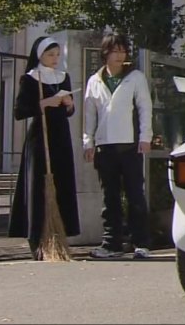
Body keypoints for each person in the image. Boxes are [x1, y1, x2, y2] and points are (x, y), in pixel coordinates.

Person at [8, 36, 81, 260]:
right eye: (50, 55)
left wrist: (69, 105)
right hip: (41, 138)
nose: (55, 59)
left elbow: (69, 112)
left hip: (60, 138)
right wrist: (43, 104)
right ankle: (36, 238)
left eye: (57, 55)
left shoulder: (63, 78)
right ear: (39, 55)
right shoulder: (30, 79)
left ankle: (59, 236)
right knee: (39, 187)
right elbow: (20, 111)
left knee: (61, 184)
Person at [83, 33, 153, 259]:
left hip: (130, 145)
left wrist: (146, 137)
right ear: (105, 53)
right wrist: (88, 141)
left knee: (135, 195)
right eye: (115, 51)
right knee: (110, 197)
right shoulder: (94, 80)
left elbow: (144, 107)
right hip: (105, 146)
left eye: (123, 51)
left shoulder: (135, 77)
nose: (119, 56)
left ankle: (140, 242)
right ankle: (111, 244)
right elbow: (89, 113)